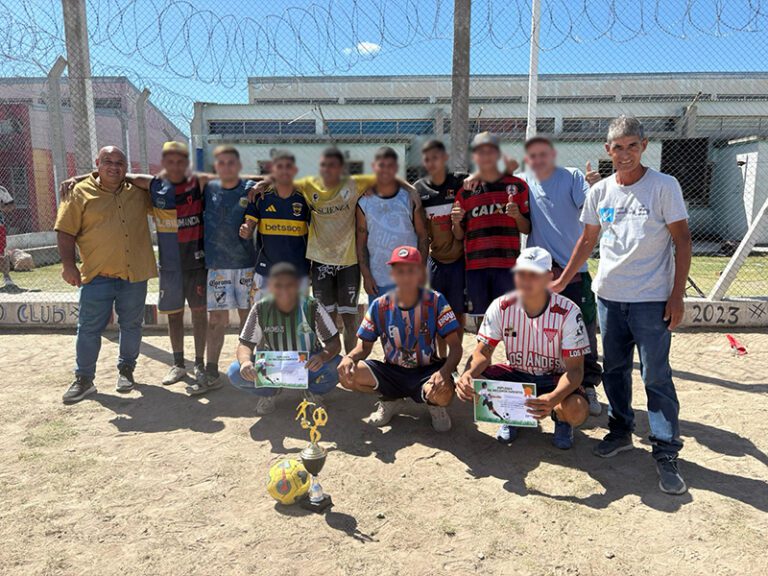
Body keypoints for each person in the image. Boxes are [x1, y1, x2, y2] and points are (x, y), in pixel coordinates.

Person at [552, 115, 692, 495]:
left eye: (632, 145)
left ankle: (665, 450)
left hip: (651, 300)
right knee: (614, 371)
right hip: (609, 297)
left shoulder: (664, 186)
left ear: (644, 146)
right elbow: (587, 241)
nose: (625, 154)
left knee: (655, 376)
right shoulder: (600, 193)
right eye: (618, 147)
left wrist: (676, 296)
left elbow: (682, 241)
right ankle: (620, 430)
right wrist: (563, 280)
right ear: (607, 150)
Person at [250, 147, 415, 353]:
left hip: (349, 262)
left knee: (349, 317)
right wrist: (264, 182)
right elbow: (282, 178)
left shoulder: (355, 184)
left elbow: (387, 176)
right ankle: (326, 360)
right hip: (320, 262)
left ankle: (349, 361)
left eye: (334, 165)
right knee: (323, 317)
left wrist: (412, 190)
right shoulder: (309, 185)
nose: (329, 169)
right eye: (325, 165)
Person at [457, 247, 590, 450]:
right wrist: (468, 374)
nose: (526, 280)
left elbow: (575, 370)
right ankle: (510, 415)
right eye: (521, 273)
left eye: (534, 275)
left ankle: (561, 418)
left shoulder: (568, 312)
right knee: (475, 383)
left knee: (577, 411)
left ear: (548, 277)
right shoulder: (501, 306)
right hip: (517, 377)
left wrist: (554, 398)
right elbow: (483, 352)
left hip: (554, 378)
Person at [55, 146, 157, 403]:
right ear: (97, 163)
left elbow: (161, 186)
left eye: (120, 162)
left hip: (133, 274)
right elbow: (65, 231)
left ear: (126, 167)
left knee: (131, 324)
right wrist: (68, 265)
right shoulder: (77, 193)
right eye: (107, 162)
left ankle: (126, 371)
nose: (114, 167)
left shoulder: (138, 193)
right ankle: (84, 379)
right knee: (89, 327)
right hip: (97, 274)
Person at [518, 136, 604, 416]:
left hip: (573, 269)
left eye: (544, 154)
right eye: (533, 155)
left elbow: (593, 204)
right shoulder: (523, 181)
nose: (538, 159)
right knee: (540, 333)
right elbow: (494, 181)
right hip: (539, 274)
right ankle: (548, 388)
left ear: (553, 155)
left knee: (583, 330)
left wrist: (596, 185)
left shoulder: (573, 177)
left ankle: (588, 385)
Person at [338, 246, 463, 432]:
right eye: (400, 271)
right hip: (392, 372)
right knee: (348, 375)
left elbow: (455, 347)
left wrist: (444, 373)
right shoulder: (379, 305)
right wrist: (349, 358)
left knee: (444, 393)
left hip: (425, 371)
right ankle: (390, 398)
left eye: (411, 270)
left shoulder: (436, 301)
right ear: (392, 274)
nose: (405, 276)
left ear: (420, 272)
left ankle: (435, 405)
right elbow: (363, 347)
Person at [227, 263, 342, 415]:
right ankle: (269, 392)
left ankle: (312, 392)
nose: (284, 290)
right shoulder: (260, 308)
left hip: (308, 365)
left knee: (337, 366)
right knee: (235, 372)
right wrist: (246, 362)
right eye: (278, 285)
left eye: (289, 285)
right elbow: (245, 344)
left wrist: (322, 356)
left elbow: (334, 342)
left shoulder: (312, 306)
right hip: (273, 367)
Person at [198, 145, 259, 394]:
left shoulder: (249, 187)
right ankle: (211, 370)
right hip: (218, 267)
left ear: (239, 165)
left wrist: (261, 185)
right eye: (221, 163)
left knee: (249, 319)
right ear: (216, 166)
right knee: (217, 321)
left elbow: (277, 178)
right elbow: (155, 179)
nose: (226, 167)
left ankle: (251, 366)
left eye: (231, 162)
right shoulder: (206, 186)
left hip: (245, 266)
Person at [452, 132, 531, 319]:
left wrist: (517, 215)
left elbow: (526, 228)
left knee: (510, 322)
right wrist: (456, 222)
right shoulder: (465, 191)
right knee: (482, 321)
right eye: (481, 152)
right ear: (474, 156)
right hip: (476, 268)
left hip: (508, 266)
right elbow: (458, 235)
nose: (486, 156)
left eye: (490, 151)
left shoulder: (517, 186)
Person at [414, 139, 468, 353]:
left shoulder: (460, 182)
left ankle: (455, 358)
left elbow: (481, 178)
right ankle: (440, 357)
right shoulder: (419, 188)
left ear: (445, 158)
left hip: (459, 260)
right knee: (437, 312)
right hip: (435, 260)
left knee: (457, 314)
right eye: (427, 159)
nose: (431, 162)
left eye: (436, 157)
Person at [356, 146, 429, 303]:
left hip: (409, 279)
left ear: (396, 168)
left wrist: (421, 270)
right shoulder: (364, 202)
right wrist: (366, 276)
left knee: (411, 325)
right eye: (381, 165)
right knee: (381, 325)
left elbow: (423, 236)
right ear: (374, 168)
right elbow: (361, 243)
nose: (385, 170)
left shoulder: (410, 199)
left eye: (390, 166)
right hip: (379, 280)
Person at [0, 185, 15, 289]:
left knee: (1, 254)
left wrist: (2, 206)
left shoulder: (1, 189)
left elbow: (10, 206)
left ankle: (7, 278)